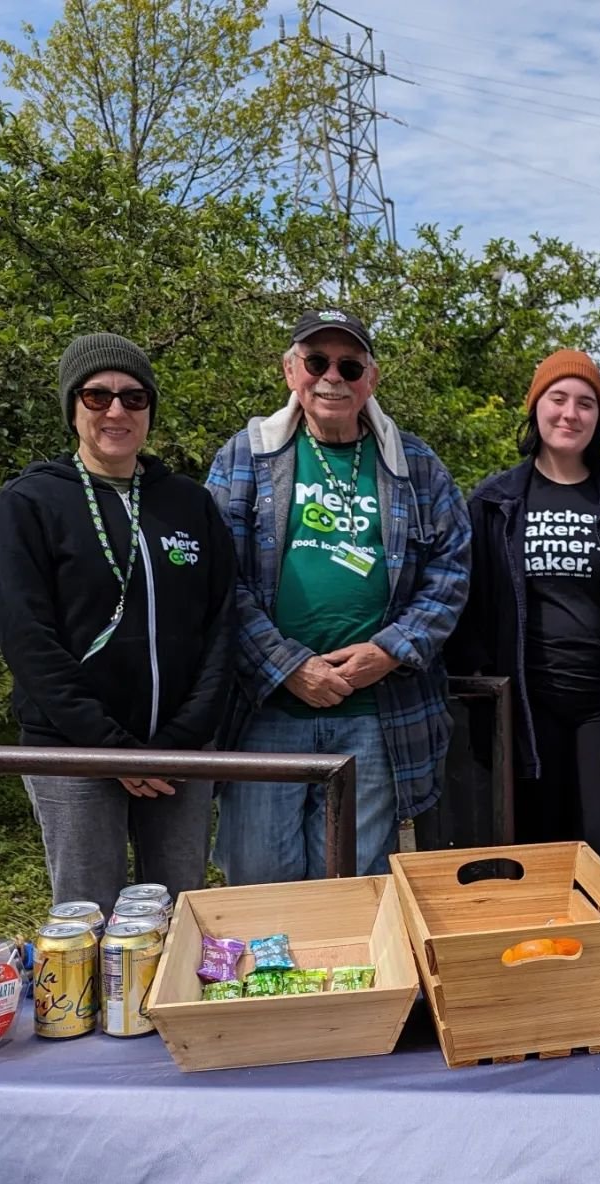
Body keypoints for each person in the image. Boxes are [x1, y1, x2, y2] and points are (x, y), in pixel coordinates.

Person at [207, 308, 471, 883]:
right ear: (290, 371)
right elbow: (219, 580)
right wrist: (289, 665)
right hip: (266, 712)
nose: (332, 377)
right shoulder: (244, 456)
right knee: (259, 881)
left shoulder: (417, 466)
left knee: (352, 882)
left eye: (349, 365)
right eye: (316, 361)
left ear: (370, 380)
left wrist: (390, 651)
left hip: (376, 716)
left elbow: (451, 571)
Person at [0, 334, 235, 915]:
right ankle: (87, 1012)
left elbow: (222, 626)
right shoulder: (28, 503)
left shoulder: (189, 502)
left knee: (180, 912)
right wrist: (111, 748)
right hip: (73, 752)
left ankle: (164, 1012)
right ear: (72, 406)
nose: (116, 411)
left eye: (134, 398)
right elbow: (27, 639)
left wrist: (177, 743)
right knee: (88, 914)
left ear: (150, 409)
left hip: (180, 755)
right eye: (97, 395)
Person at [451, 350, 600, 882]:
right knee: (533, 855)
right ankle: (541, 962)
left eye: (585, 403)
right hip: (524, 710)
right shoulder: (494, 501)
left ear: (598, 418)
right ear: (535, 409)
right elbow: (466, 605)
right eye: (558, 399)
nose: (570, 414)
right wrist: (483, 693)